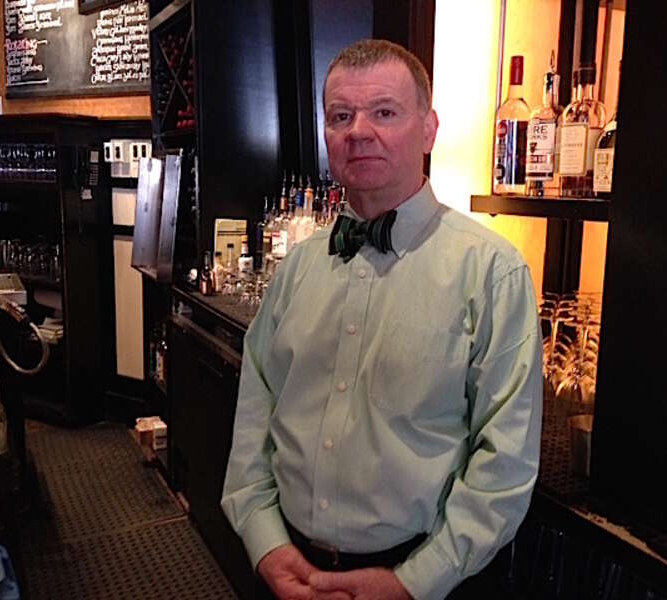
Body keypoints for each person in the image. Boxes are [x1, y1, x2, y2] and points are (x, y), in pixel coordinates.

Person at [221, 39, 542, 600]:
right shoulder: (298, 268)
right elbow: (255, 414)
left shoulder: (492, 273)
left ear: (429, 128)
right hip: (288, 569)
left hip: (420, 578)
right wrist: (265, 542)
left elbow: (506, 464)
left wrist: (414, 582)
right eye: (341, 115)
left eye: (385, 112)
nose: (358, 131)